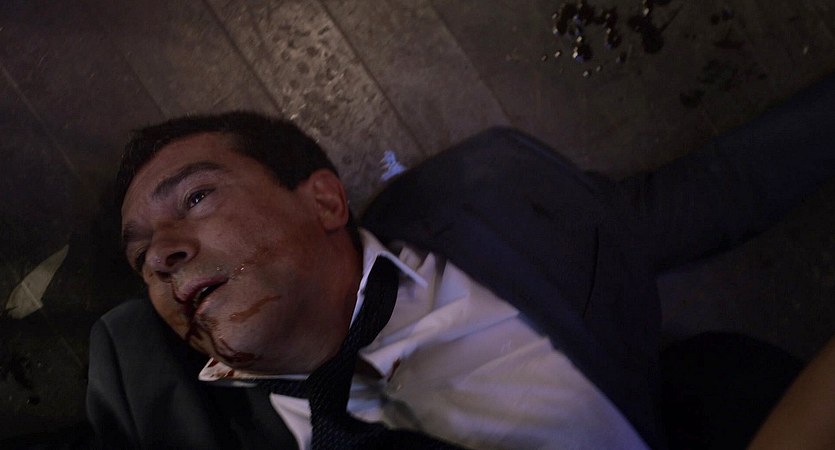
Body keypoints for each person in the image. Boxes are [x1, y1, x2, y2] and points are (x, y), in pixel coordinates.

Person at [87, 72, 835, 449]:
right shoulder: (178, 418)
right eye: (141, 256)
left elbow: (714, 193)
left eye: (196, 198)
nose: (162, 256)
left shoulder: (494, 207)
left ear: (324, 201)